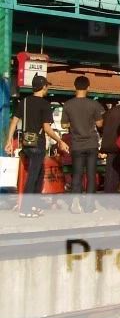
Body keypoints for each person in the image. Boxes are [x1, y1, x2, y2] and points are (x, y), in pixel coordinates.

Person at [4, 75, 68, 217]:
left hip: (26, 143)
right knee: (33, 176)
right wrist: (60, 140)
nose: (47, 88)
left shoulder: (24, 102)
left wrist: (9, 140)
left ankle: (32, 205)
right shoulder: (45, 104)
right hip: (38, 144)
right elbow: (47, 128)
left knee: (38, 175)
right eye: (47, 86)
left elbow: (14, 122)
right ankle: (25, 209)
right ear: (43, 86)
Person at [61, 76, 105, 214]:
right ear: (88, 87)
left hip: (77, 145)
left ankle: (76, 203)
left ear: (75, 86)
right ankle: (90, 206)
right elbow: (100, 124)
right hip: (91, 144)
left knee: (77, 174)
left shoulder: (68, 105)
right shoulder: (94, 105)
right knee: (91, 175)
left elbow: (63, 125)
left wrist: (73, 123)